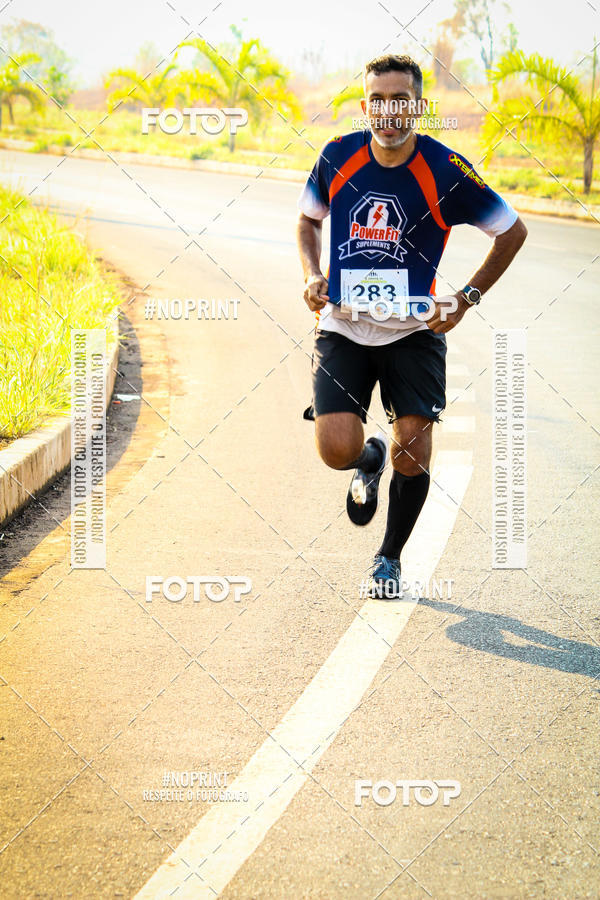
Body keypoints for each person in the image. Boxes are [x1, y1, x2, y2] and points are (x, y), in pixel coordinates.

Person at [296, 53, 527, 598]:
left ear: (419, 106)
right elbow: (307, 219)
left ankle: (388, 558)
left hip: (414, 331)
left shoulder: (447, 170)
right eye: (378, 100)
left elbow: (511, 232)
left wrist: (466, 298)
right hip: (344, 325)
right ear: (365, 106)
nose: (389, 111)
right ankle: (365, 457)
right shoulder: (337, 156)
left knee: (414, 446)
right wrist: (310, 275)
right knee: (334, 448)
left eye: (401, 99)